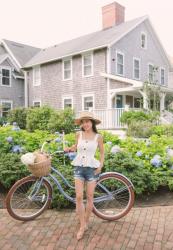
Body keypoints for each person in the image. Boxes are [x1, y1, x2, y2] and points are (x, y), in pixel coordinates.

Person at [65, 111, 104, 240]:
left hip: (91, 169)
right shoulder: (78, 134)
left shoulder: (98, 137)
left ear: (92, 122)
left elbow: (102, 153)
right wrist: (69, 148)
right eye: (83, 122)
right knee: (79, 196)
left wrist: (100, 166)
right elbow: (76, 147)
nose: (85, 124)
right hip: (79, 168)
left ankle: (86, 221)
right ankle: (82, 226)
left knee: (90, 196)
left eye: (87, 121)